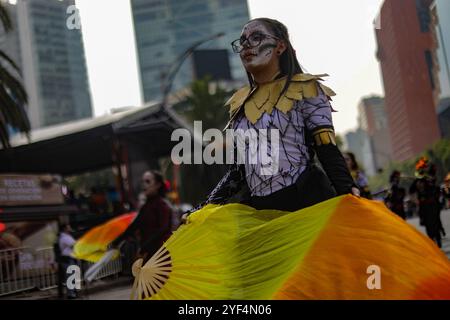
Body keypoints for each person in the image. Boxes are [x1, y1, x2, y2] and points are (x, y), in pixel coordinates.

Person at [184, 17, 358, 217]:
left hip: (307, 204)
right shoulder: (239, 103)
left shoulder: (306, 88)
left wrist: (347, 189)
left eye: (256, 37)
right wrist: (205, 207)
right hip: (260, 213)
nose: (246, 44)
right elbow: (239, 169)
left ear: (280, 46)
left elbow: (326, 148)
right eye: (242, 41)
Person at [112, 170, 173, 262]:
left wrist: (144, 247)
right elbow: (135, 225)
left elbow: (162, 229)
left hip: (162, 256)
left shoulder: (162, 205)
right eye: (143, 182)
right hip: (149, 255)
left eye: (148, 182)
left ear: (158, 185)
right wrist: (116, 241)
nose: (144, 185)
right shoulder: (146, 206)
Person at [409, 157, 444, 248]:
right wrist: (416, 201)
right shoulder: (416, 181)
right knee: (427, 224)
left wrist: (429, 180)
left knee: (436, 221)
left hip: (432, 204)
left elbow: (436, 188)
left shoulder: (430, 179)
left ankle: (438, 238)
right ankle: (432, 241)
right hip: (423, 206)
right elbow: (411, 192)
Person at [57, 224, 78, 299]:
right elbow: (74, 245)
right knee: (70, 277)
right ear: (65, 229)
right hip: (67, 259)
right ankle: (71, 294)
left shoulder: (67, 236)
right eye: (69, 228)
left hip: (70, 258)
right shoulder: (65, 237)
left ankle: (73, 292)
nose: (70, 229)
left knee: (72, 276)